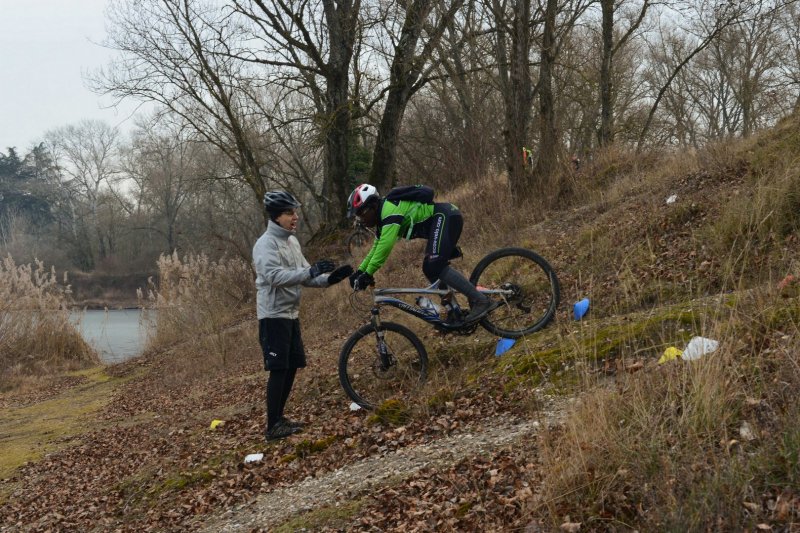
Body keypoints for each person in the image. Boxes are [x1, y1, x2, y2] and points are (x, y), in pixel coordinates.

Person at [253, 190, 353, 441]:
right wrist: (310, 271)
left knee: (292, 366)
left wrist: (330, 279)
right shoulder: (265, 244)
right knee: (279, 369)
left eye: (295, 212)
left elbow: (306, 276)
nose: (295, 217)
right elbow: (274, 277)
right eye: (289, 213)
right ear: (276, 217)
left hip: (290, 314)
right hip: (273, 315)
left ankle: (279, 419)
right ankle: (272, 425)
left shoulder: (292, 242)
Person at [346, 183, 499, 324]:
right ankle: (454, 311)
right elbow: (376, 247)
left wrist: (369, 272)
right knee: (429, 268)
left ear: (372, 206)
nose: (360, 219)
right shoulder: (382, 220)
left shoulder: (389, 210)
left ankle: (481, 301)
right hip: (442, 220)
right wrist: (360, 271)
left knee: (435, 264)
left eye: (361, 213)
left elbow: (385, 247)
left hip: (445, 216)